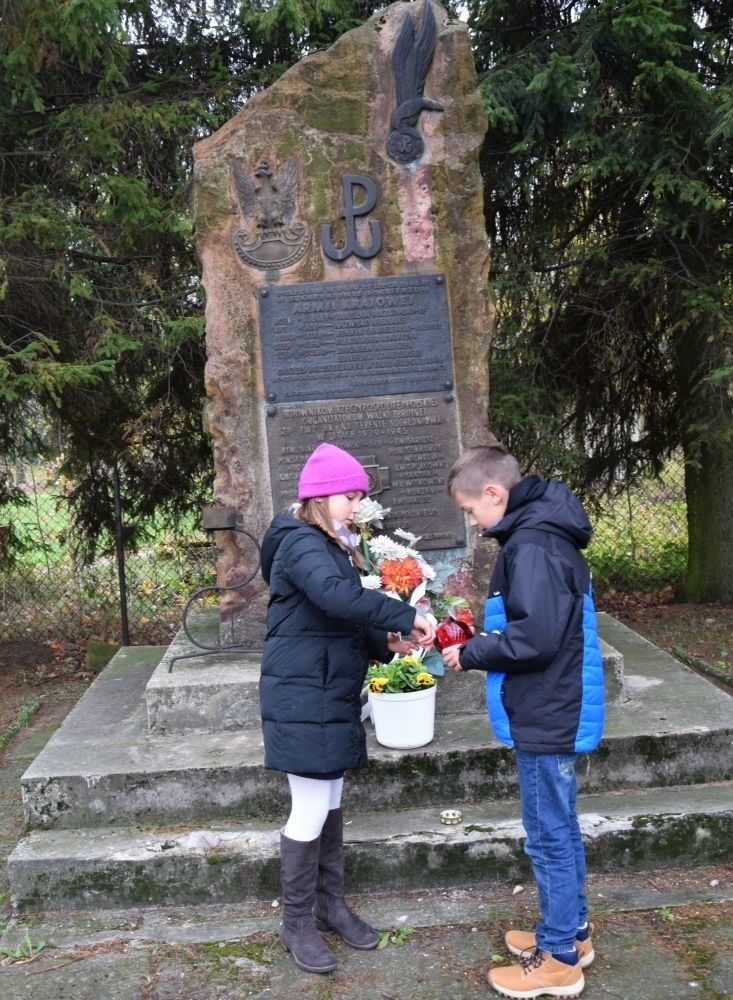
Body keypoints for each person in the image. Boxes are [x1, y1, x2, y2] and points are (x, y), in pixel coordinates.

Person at [260, 442, 435, 975]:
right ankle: (296, 923)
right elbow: (337, 598)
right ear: (319, 495)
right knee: (310, 807)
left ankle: (330, 905)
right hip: (303, 693)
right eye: (349, 494)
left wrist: (388, 643)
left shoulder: (326, 544)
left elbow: (337, 616)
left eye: (360, 495)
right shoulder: (302, 543)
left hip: (324, 688)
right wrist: (405, 616)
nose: (357, 504)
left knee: (330, 800)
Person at [441, 445, 604, 999]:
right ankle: (574, 932)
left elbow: (534, 637)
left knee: (548, 835)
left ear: (494, 493)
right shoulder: (542, 533)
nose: (471, 521)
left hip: (545, 708)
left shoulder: (533, 543)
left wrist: (475, 651)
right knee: (559, 822)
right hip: (551, 702)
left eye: (470, 509)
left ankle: (558, 958)